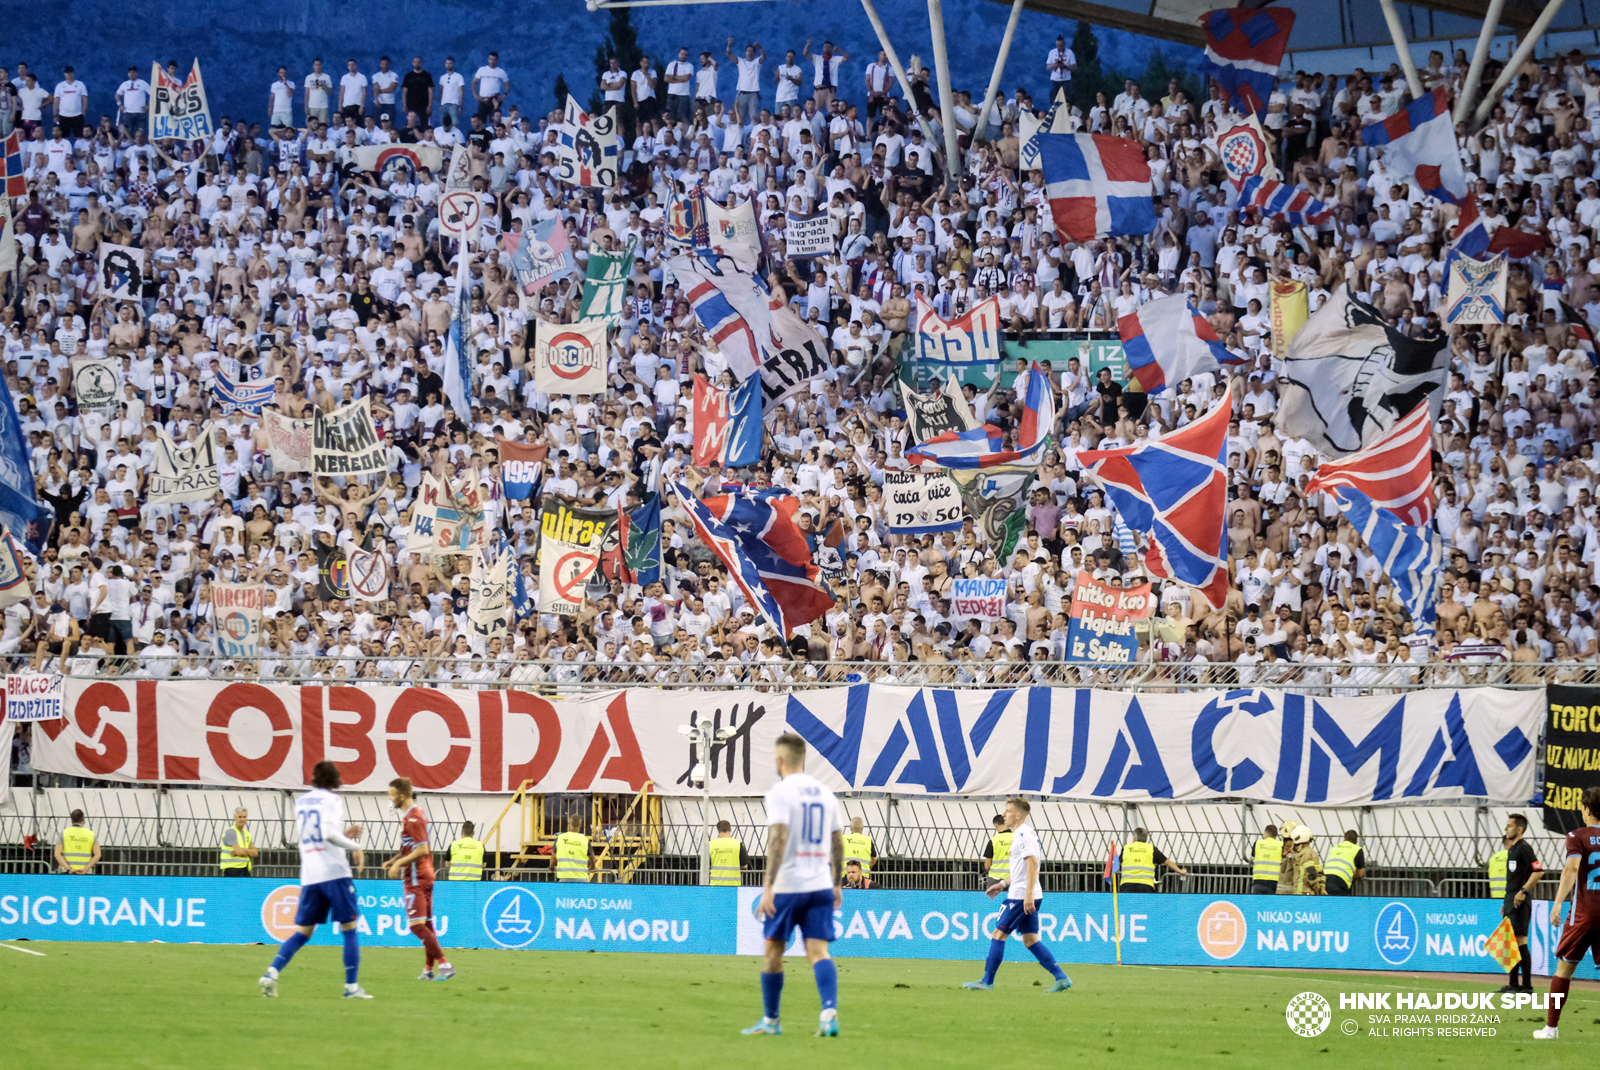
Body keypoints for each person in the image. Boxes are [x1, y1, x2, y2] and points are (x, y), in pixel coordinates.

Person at [743, 731, 844, 1038]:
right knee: (819, 952)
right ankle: (828, 1015)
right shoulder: (826, 793)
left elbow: (778, 838)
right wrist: (837, 883)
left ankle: (771, 1021)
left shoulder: (780, 792)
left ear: (780, 759)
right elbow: (837, 843)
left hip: (788, 884)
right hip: (820, 884)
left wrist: (769, 884)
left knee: (773, 950)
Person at [258, 760, 370, 999]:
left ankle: (271, 973)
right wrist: (355, 845)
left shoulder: (302, 802)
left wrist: (343, 834)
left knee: (303, 932)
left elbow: (317, 833)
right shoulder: (332, 800)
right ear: (335, 779)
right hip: (334, 871)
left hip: (310, 873)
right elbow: (327, 833)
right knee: (349, 928)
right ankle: (351, 988)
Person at [961, 796, 1072, 993]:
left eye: (1008, 811)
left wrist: (1028, 894)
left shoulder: (1022, 835)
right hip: (1025, 893)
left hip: (1021, 896)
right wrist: (1003, 884)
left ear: (1018, 815)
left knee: (998, 934)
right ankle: (1061, 977)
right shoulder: (1023, 834)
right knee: (1030, 940)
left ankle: (987, 981)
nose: (1004, 814)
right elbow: (1022, 869)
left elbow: (1033, 864)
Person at [1534, 785, 1600, 1040]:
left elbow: (1572, 869)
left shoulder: (1577, 835)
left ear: (1586, 809)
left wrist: (1558, 902)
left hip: (1584, 914)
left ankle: (1551, 1028)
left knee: (1564, 970)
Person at [383, 777, 454, 981]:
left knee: (416, 926)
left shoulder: (413, 818)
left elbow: (421, 849)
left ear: (402, 796)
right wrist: (394, 859)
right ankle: (428, 970)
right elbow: (412, 846)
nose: (390, 799)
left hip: (416, 878)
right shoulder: (417, 814)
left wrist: (398, 864)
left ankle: (445, 965)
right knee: (427, 925)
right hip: (425, 874)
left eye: (392, 795)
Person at [1499, 813, 1543, 994]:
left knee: (1520, 942)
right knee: (1510, 942)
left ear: (1519, 829)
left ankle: (1527, 986)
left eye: (1509, 825)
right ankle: (1513, 984)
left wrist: (1523, 891)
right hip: (1511, 900)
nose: (1505, 828)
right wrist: (1506, 901)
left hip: (1520, 902)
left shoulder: (1525, 848)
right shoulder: (1513, 849)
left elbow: (1539, 871)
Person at [1118, 828, 1187, 893]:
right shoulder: (1151, 848)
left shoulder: (1126, 848)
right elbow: (1167, 862)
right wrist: (1180, 871)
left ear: (1134, 838)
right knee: (1144, 905)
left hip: (1126, 885)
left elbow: (1119, 863)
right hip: (1145, 885)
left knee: (1126, 905)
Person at [55, 808, 99, 874]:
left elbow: (57, 854)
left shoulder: (64, 833)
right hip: (85, 872)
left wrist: (69, 869)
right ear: (83, 818)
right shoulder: (91, 834)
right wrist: (86, 869)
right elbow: (98, 855)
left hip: (67, 871)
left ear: (72, 819)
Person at [552, 813, 593, 883]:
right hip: (581, 877)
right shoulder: (585, 840)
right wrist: (591, 868)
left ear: (569, 823)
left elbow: (553, 857)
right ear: (581, 824)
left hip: (565, 876)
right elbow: (593, 860)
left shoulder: (561, 838)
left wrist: (552, 867)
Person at [709, 819, 750, 887]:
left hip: (715, 885)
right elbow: (745, 865)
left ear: (718, 831)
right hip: (734, 885)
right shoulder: (737, 844)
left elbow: (705, 864)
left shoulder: (711, 844)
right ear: (730, 830)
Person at [1323, 830, 1366, 896]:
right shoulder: (1357, 849)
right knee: (1339, 903)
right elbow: (1361, 872)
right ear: (1356, 840)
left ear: (1344, 838)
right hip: (1340, 880)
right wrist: (1353, 874)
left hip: (1324, 877)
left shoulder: (1335, 847)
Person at [220, 807, 258, 876]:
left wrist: (241, 851)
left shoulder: (247, 833)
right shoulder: (231, 832)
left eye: (244, 817)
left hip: (244, 868)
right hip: (232, 869)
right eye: (240, 817)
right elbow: (239, 852)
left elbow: (255, 852)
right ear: (235, 818)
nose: (242, 819)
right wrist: (247, 853)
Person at [980, 813, 1011, 887]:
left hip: (995, 879)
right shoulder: (1018, 838)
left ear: (996, 826)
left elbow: (987, 865)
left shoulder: (993, 841)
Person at [1249, 823, 1280, 894]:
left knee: (1258, 903)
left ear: (1266, 833)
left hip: (1259, 880)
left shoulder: (1257, 843)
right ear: (1276, 835)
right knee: (1271, 903)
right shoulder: (1280, 845)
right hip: (1275, 881)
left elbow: (1253, 857)